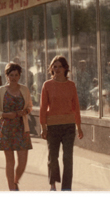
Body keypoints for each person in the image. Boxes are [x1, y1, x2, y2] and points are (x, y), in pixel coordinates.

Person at [40, 55, 83, 191]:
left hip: (69, 126)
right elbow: (43, 108)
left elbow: (76, 107)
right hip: (52, 127)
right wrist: (43, 127)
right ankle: (52, 184)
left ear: (65, 68)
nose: (57, 69)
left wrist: (79, 126)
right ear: (51, 69)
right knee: (53, 157)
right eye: (54, 66)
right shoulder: (47, 85)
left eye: (60, 66)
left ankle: (66, 189)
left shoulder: (71, 85)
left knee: (68, 158)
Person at [0, 62, 33, 191]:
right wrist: (5, 115)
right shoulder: (1, 91)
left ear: (19, 76)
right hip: (6, 128)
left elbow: (29, 106)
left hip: (22, 128)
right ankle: (12, 189)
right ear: (7, 76)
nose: (14, 78)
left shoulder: (24, 90)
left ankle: (15, 181)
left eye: (16, 75)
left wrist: (25, 111)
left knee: (22, 162)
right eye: (11, 75)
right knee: (10, 161)